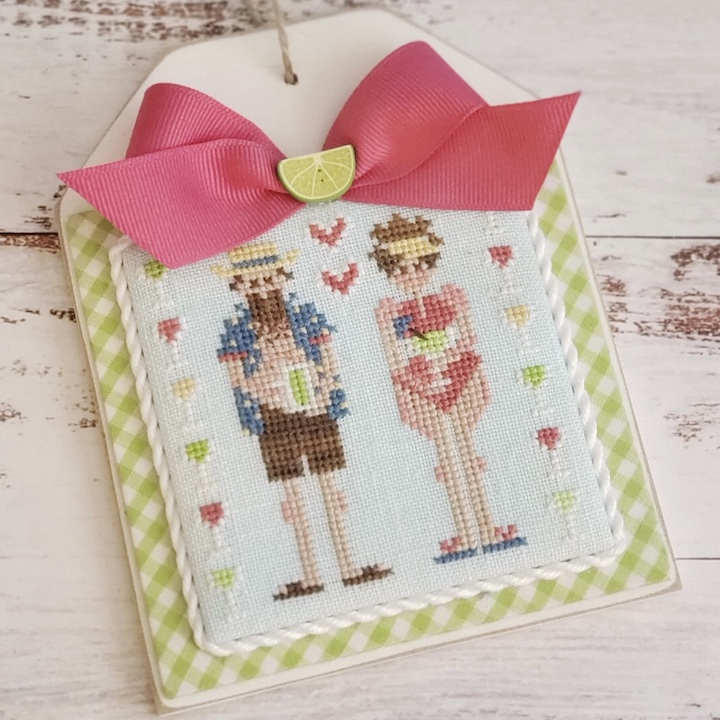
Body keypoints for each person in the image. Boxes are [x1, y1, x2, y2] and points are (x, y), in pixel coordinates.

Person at [212, 242, 390, 600]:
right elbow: (237, 378)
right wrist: (266, 391)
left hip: (316, 407)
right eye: (253, 282)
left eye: (269, 279)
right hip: (273, 417)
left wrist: (325, 389)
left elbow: (327, 357)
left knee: (330, 487)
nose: (263, 289)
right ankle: (310, 574)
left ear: (282, 277)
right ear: (239, 286)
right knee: (292, 493)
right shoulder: (238, 329)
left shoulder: (304, 317)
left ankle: (349, 565)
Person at [370, 214, 524, 562]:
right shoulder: (396, 314)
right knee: (446, 456)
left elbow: (468, 341)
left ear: (431, 263)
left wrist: (462, 312)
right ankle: (465, 533)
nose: (412, 275)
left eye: (419, 265)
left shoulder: (445, 301)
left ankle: (487, 527)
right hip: (422, 387)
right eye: (401, 269)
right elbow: (395, 361)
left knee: (466, 453)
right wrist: (385, 326)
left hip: (459, 377)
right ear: (390, 273)